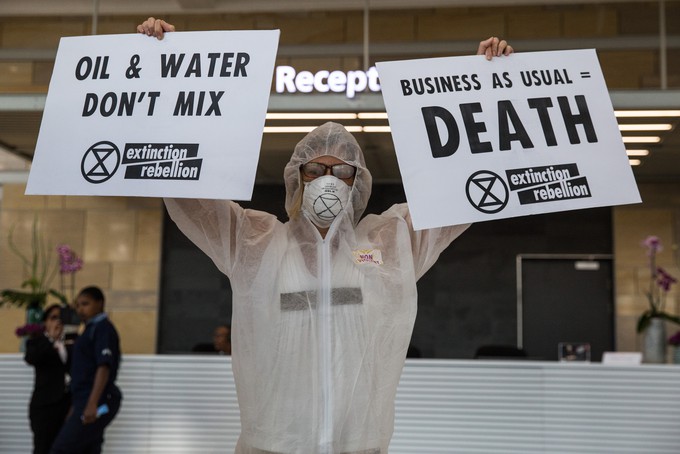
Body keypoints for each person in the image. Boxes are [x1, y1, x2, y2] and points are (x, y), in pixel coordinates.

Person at [140, 17, 512, 453]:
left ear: (358, 183)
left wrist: (485, 88)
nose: (327, 180)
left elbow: (460, 196)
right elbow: (185, 190)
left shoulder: (387, 245)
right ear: (297, 177)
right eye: (315, 169)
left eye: (342, 171)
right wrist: (164, 67)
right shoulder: (255, 243)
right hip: (273, 444)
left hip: (358, 444)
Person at [49, 286, 122, 454]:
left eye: (85, 304)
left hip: (97, 400)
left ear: (99, 303)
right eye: (78, 305)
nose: (80, 309)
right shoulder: (89, 330)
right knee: (88, 448)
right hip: (83, 399)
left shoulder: (102, 328)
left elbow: (104, 366)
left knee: (62, 449)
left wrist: (92, 403)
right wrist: (76, 406)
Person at [24, 304, 72, 454]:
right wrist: (51, 339)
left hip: (66, 405)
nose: (58, 321)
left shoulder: (71, 341)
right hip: (45, 406)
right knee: (43, 448)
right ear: (45, 322)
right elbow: (31, 358)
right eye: (53, 318)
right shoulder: (36, 342)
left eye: (61, 318)